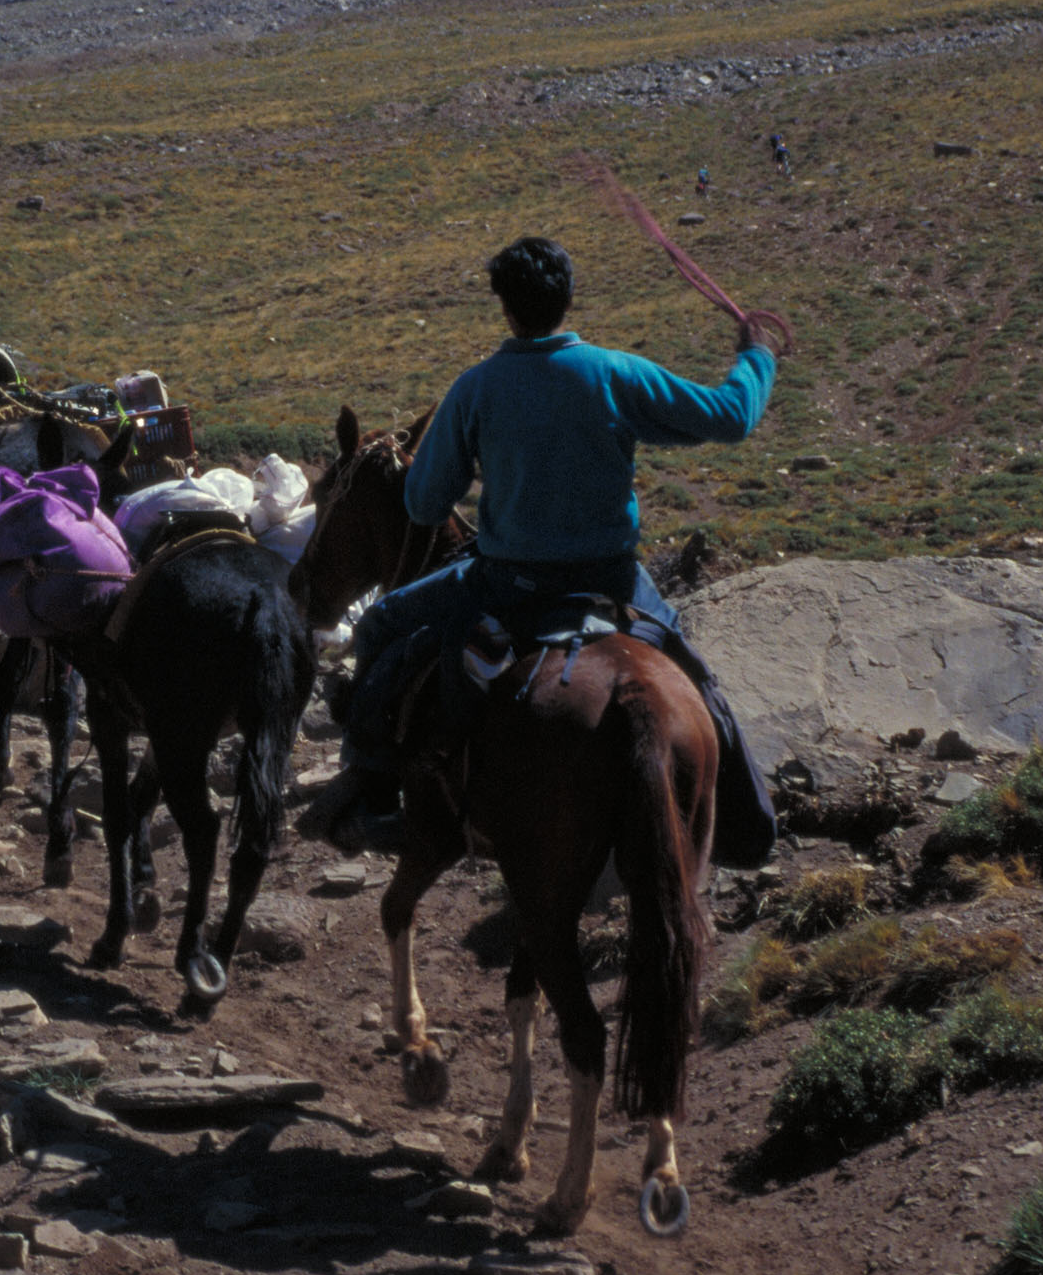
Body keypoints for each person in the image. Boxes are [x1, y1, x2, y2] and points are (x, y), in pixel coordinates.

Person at [333, 233, 778, 863]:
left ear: (505, 308)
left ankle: (374, 799)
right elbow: (732, 417)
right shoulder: (616, 373)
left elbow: (424, 506)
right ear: (566, 300)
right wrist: (757, 355)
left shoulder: (476, 388)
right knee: (697, 679)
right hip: (614, 581)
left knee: (379, 626)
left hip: (506, 584)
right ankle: (748, 823)